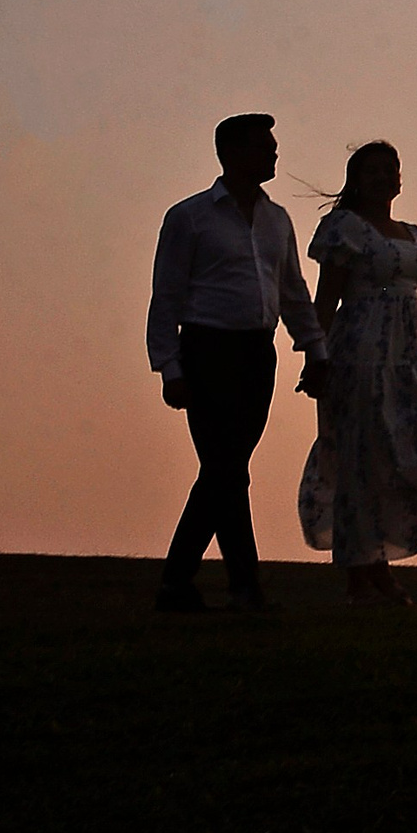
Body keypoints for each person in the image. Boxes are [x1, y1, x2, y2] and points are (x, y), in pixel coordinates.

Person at [146, 113, 330, 613]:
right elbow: (167, 296)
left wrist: (315, 349)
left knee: (226, 470)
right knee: (227, 469)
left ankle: (188, 584)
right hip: (206, 350)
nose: (273, 154)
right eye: (263, 146)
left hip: (255, 353)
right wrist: (171, 368)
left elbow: (293, 293)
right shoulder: (189, 217)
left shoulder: (276, 220)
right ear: (231, 153)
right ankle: (237, 585)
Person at [297, 141, 417, 605]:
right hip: (359, 351)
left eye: (391, 170)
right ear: (356, 178)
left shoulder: (412, 235)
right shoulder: (344, 228)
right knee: (363, 458)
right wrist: (316, 356)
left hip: (406, 356)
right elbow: (326, 298)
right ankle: (365, 573)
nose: (385, 178)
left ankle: (377, 558)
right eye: (373, 170)